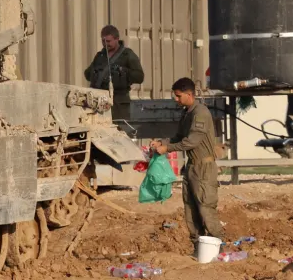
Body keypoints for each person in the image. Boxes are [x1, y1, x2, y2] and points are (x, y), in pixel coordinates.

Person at [150, 77, 226, 245]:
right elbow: (179, 137)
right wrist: (162, 142)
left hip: (203, 168)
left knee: (206, 208)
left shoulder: (200, 113)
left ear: (189, 94)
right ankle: (198, 247)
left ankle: (218, 247)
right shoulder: (187, 112)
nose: (176, 100)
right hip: (191, 167)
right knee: (190, 209)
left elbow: (192, 141)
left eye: (178, 96)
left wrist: (167, 149)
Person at [83, 25, 144, 122]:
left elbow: (140, 77)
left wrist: (123, 71)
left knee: (120, 129)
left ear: (117, 39)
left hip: (118, 103)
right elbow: (87, 74)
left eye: (108, 41)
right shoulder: (100, 56)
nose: (105, 44)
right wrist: (97, 73)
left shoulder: (127, 55)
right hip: (100, 101)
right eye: (103, 41)